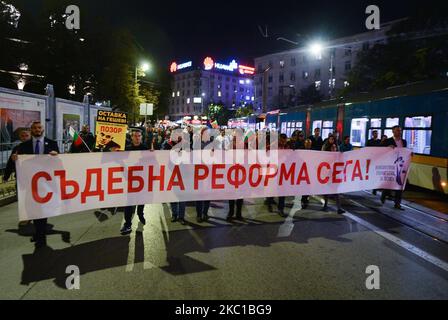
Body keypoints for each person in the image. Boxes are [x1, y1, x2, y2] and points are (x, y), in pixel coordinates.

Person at [12, 121, 59, 249]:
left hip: (46, 184)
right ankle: (39, 234)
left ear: (43, 129)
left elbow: (58, 164)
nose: (37, 130)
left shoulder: (52, 143)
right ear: (31, 130)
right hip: (30, 184)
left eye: (39, 128)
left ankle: (40, 238)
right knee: (33, 210)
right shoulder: (23, 146)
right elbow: (19, 164)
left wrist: (56, 156)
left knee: (42, 211)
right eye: (34, 128)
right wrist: (15, 160)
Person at [120, 130, 148, 235]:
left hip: (142, 180)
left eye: (139, 136)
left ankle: (140, 214)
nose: (137, 137)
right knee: (129, 203)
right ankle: (127, 224)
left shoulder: (145, 149)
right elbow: (119, 161)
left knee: (141, 201)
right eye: (135, 136)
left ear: (141, 137)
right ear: (131, 137)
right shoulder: (127, 149)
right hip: (130, 180)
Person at [380, 125, 408, 210]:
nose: (399, 132)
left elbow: (405, 151)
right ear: (393, 131)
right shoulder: (388, 141)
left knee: (399, 185)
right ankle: (384, 195)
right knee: (389, 183)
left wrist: (409, 154)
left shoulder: (404, 141)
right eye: (397, 130)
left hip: (400, 166)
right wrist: (387, 148)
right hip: (390, 166)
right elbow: (380, 149)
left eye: (400, 130)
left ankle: (397, 203)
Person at [163, 133, 187, 225]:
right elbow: (161, 155)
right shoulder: (167, 144)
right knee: (173, 195)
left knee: (182, 197)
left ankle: (181, 217)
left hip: (183, 174)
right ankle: (174, 214)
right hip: (171, 173)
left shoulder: (185, 145)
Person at [267, 134, 289, 217]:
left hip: (283, 171)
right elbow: (266, 151)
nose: (283, 142)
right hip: (274, 170)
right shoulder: (274, 145)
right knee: (272, 188)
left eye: (284, 140)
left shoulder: (287, 147)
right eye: (282, 140)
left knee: (282, 191)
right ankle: (269, 203)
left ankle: (281, 209)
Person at [322, 135, 345, 214]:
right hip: (327, 173)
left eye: (335, 147)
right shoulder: (325, 150)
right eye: (331, 139)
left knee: (336, 191)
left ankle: (339, 208)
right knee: (326, 190)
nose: (334, 148)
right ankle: (325, 204)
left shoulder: (337, 152)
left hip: (335, 174)